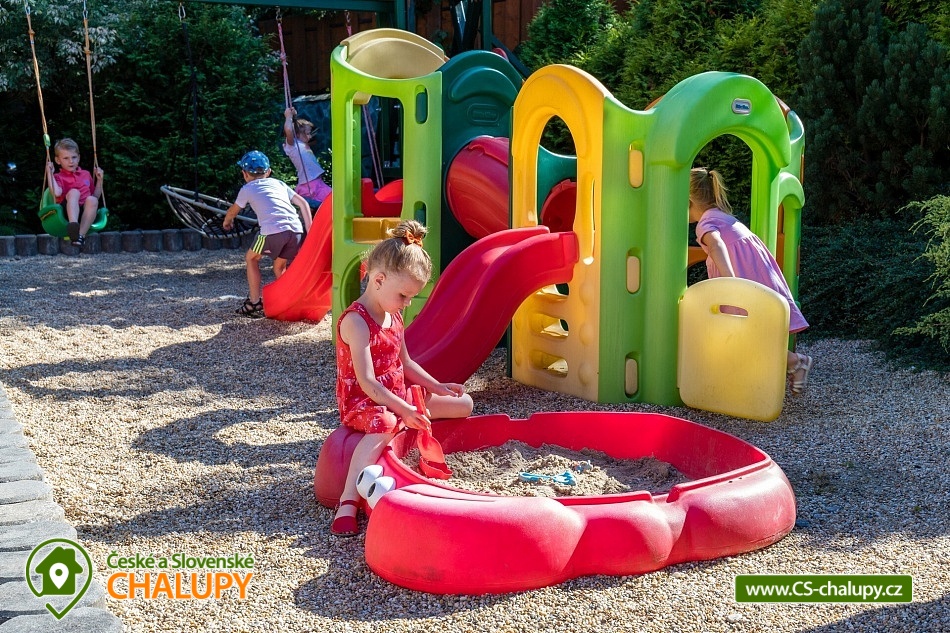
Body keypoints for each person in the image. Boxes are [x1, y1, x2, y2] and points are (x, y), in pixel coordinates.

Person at [331, 220, 474, 536]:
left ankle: (407, 422)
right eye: (404, 296)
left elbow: (405, 362)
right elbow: (367, 382)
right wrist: (405, 410)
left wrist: (437, 386)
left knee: (464, 403)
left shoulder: (392, 314)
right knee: (386, 423)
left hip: (397, 395)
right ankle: (347, 502)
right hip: (366, 402)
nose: (407, 304)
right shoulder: (356, 322)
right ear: (378, 279)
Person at [689, 167, 813, 394]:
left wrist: (730, 280)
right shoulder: (722, 217)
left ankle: (795, 362)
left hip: (742, 278)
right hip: (757, 275)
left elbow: (716, 245)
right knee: (750, 332)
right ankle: (783, 366)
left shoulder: (705, 224)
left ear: (688, 202)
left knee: (742, 332)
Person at [222, 150, 313, 318]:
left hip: (272, 232)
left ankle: (254, 302)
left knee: (251, 258)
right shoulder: (279, 184)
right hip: (295, 231)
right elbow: (303, 203)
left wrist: (227, 221)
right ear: (269, 172)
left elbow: (234, 210)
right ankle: (288, 302)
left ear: (244, 173)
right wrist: (310, 230)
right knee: (279, 267)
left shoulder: (247, 189)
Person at [46, 138, 104, 248]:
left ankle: (79, 236)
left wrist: (100, 180)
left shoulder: (86, 174)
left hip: (85, 214)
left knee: (92, 200)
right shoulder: (59, 177)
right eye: (66, 158)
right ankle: (73, 225)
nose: (71, 161)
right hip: (66, 212)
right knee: (74, 192)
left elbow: (95, 196)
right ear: (58, 160)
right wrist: (50, 173)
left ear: (79, 158)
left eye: (74, 157)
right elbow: (57, 193)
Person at [282, 107, 331, 207]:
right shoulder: (293, 146)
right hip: (310, 186)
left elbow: (294, 126)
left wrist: (294, 116)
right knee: (333, 200)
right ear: (296, 134)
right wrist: (288, 117)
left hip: (316, 183)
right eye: (307, 133)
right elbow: (289, 130)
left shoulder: (301, 144)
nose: (310, 136)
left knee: (330, 202)